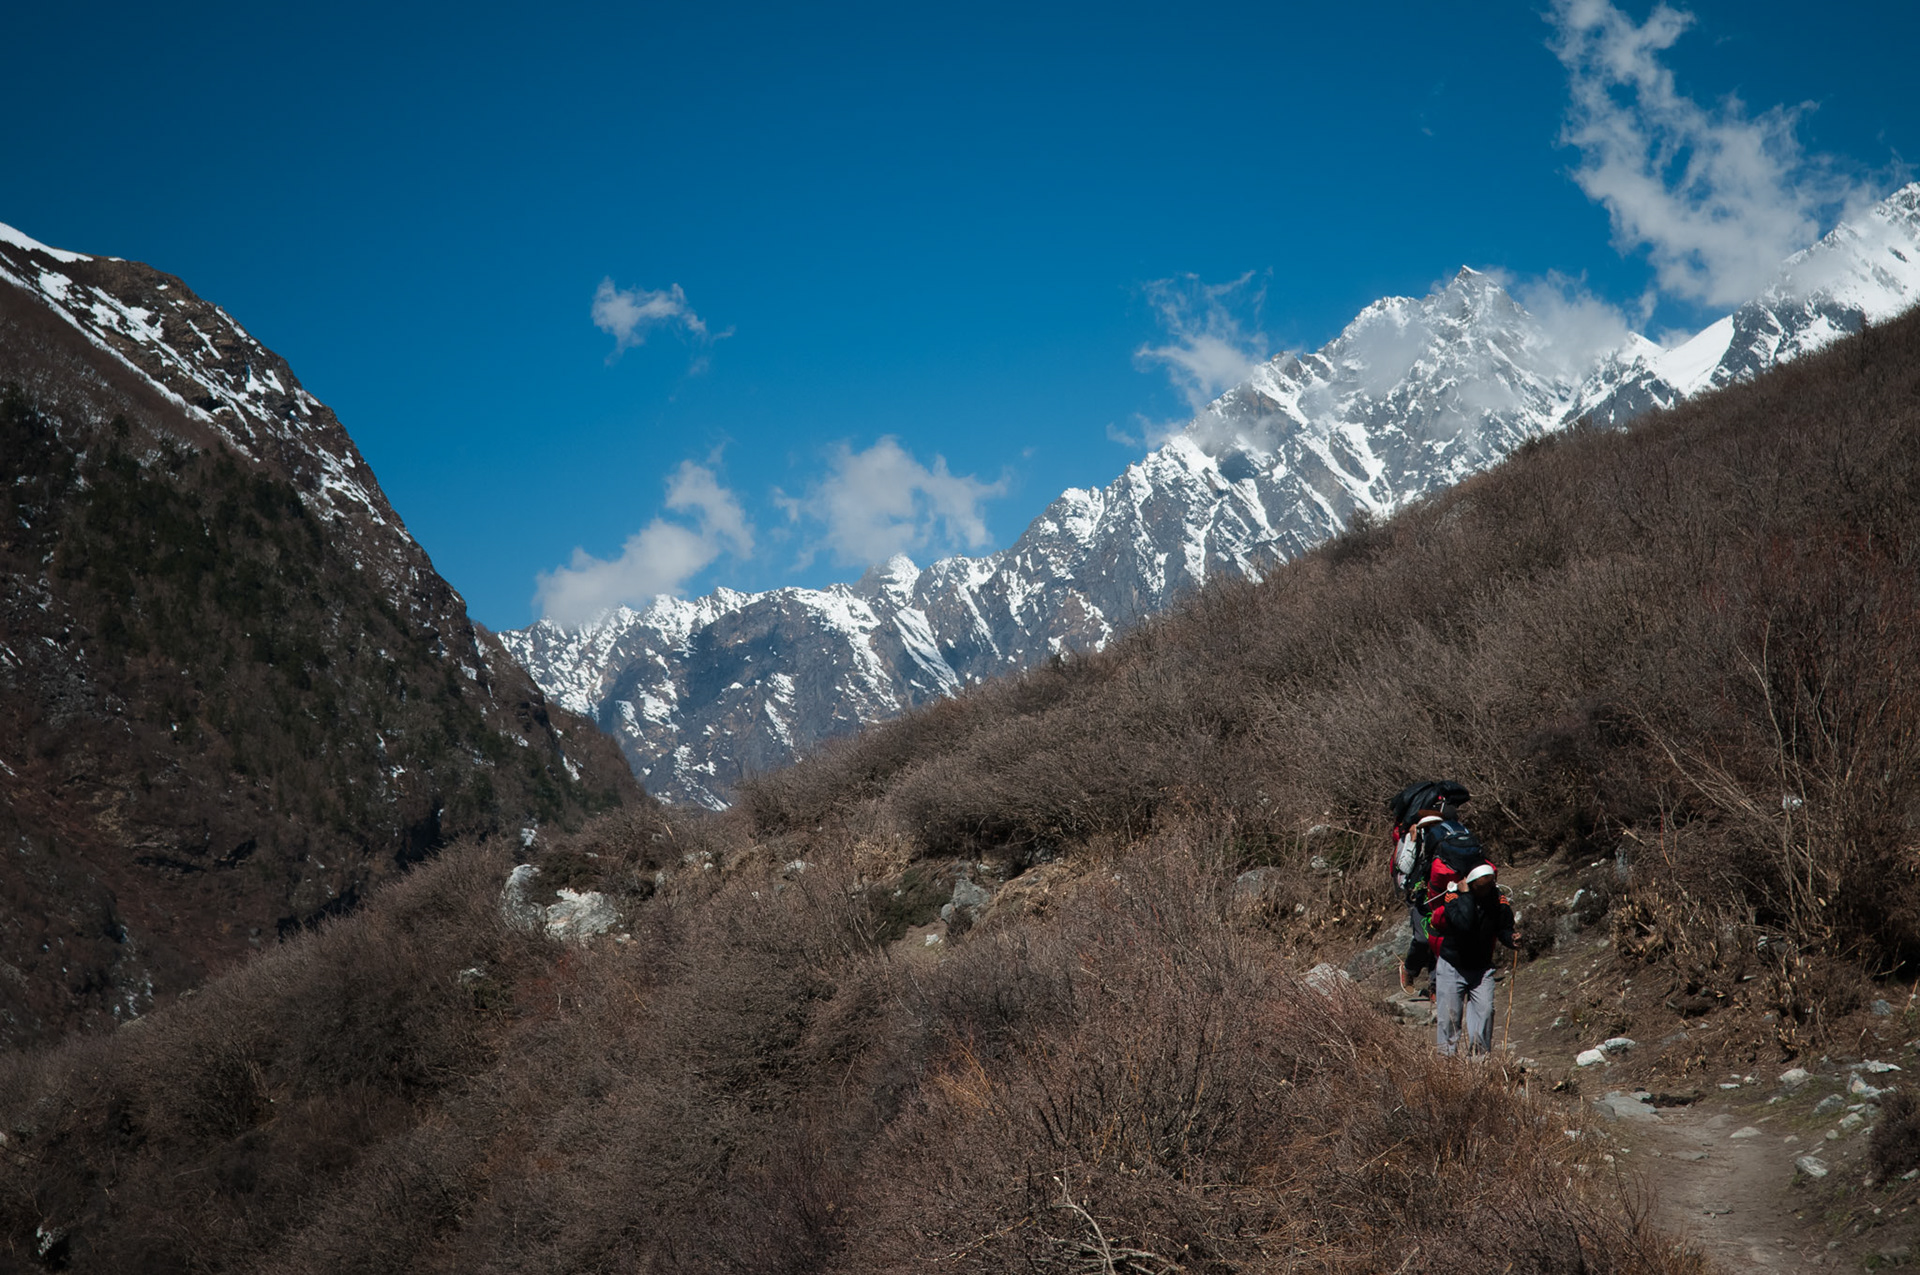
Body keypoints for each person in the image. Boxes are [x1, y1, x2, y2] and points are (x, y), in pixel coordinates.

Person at [1428, 863, 1520, 1057]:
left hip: (1482, 968)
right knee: (1449, 1019)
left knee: (1485, 1012)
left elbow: (1503, 927)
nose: (1487, 890)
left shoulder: (1497, 900)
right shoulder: (1453, 897)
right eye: (1481, 887)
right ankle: (1446, 1063)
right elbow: (1464, 924)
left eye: (1490, 885)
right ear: (1470, 884)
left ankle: (1478, 1062)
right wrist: (1467, 896)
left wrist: (1510, 938)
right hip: (1453, 966)